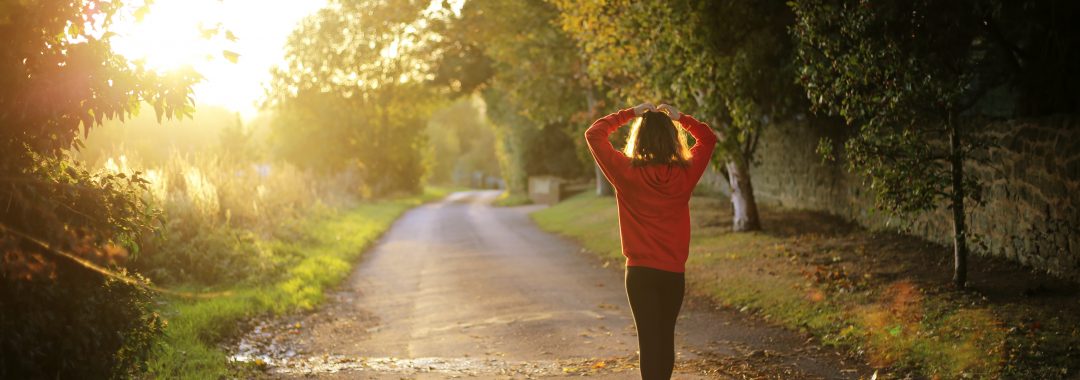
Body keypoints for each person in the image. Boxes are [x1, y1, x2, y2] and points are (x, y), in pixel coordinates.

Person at [585, 103, 718, 379]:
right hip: (672, 273)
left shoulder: (626, 172)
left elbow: (594, 134)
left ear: (639, 138)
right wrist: (681, 118)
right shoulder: (685, 173)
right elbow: (708, 138)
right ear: (673, 138)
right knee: (665, 338)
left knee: (649, 342)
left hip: (640, 273)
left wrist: (630, 112)